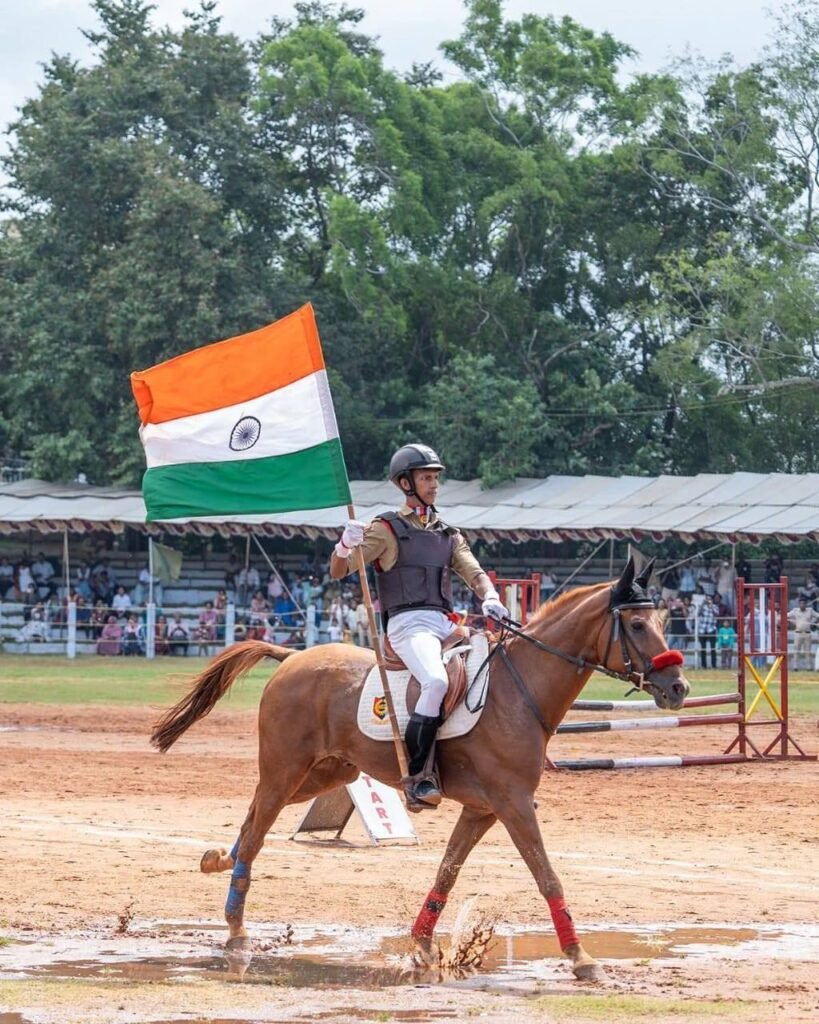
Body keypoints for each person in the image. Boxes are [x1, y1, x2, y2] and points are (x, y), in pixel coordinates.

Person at [329, 443, 508, 811]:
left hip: (444, 623)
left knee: (495, 666)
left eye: (435, 478)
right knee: (436, 682)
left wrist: (490, 595)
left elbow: (473, 571)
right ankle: (419, 776)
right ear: (406, 483)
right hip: (408, 626)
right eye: (426, 478)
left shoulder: (447, 533)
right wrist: (345, 545)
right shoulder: (385, 529)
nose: (434, 484)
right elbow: (339, 570)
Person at [787, 598, 818, 670]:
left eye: (804, 603)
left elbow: (817, 616)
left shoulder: (810, 610)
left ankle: (808, 667)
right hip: (798, 633)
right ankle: (795, 667)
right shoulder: (795, 611)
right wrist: (791, 622)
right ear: (799, 604)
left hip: (807, 633)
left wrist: (815, 622)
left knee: (807, 651)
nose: (802, 605)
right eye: (801, 603)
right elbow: (786, 616)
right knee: (796, 651)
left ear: (806, 604)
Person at [696, 593, 719, 669]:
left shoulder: (715, 607)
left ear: (712, 600)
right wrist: (702, 604)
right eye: (707, 599)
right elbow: (698, 614)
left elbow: (717, 615)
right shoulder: (702, 607)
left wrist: (711, 606)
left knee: (713, 648)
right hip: (702, 629)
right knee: (703, 648)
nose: (708, 600)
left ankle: (714, 665)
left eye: (709, 599)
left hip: (711, 629)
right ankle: (704, 665)